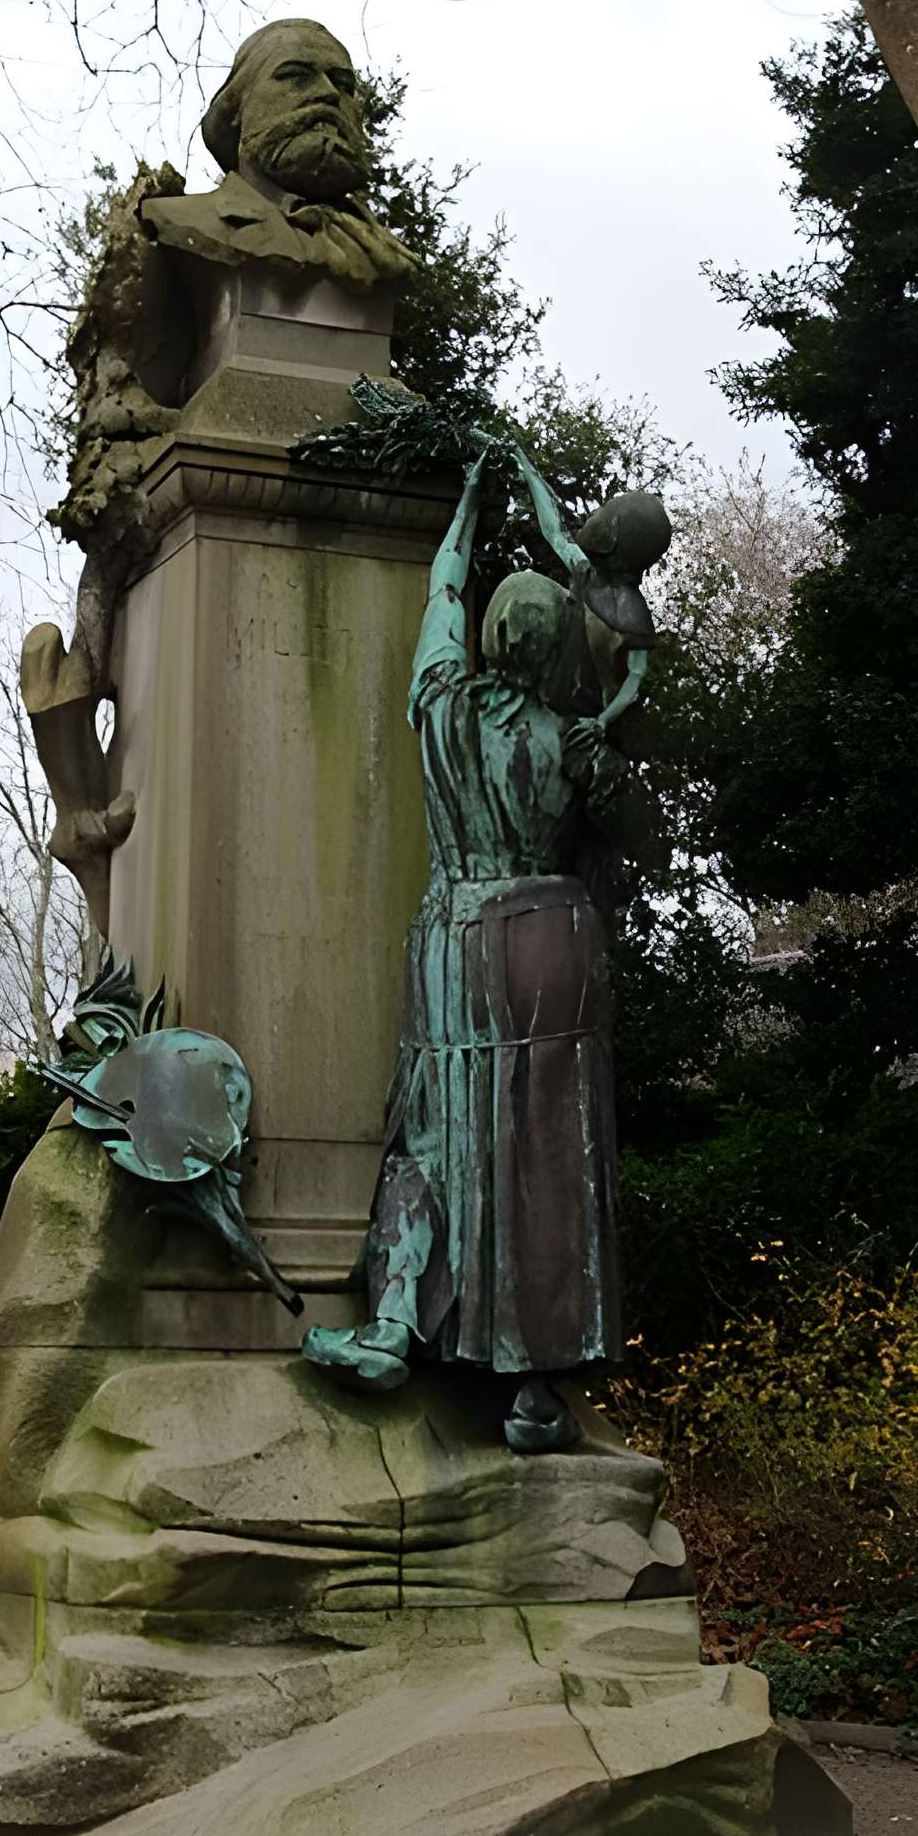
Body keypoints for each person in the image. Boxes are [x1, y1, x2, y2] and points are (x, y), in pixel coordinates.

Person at [304, 443, 670, 1452]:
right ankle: (536, 1391)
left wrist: (469, 498)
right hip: (555, 937)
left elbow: (443, 587)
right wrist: (609, 756)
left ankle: (392, 1321)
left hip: (460, 932)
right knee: (550, 1155)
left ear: (494, 637)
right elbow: (649, 841)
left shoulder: (443, 710)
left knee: (429, 1134)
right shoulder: (571, 737)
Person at [141, 18, 414, 292]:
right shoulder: (178, 220)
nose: (330, 93)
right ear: (236, 107)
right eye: (295, 75)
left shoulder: (385, 252)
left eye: (344, 85)